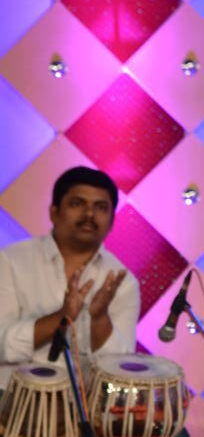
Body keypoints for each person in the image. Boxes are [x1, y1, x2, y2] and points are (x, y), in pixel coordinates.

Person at [0, 166, 139, 392]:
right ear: (54, 212)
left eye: (100, 208)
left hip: (83, 410)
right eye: (77, 204)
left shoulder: (122, 282)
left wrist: (100, 318)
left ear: (112, 221)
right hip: (9, 402)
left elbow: (118, 369)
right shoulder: (10, 261)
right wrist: (61, 318)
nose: (89, 215)